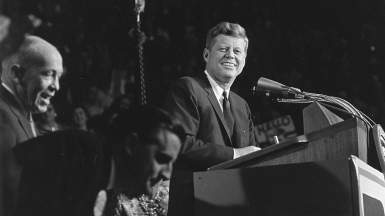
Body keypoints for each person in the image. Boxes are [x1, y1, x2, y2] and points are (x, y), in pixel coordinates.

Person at [13, 105, 185, 216]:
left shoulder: (102, 176)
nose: (168, 173)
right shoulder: (81, 151)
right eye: (162, 158)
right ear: (131, 144)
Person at [164, 21, 260, 172]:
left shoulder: (242, 105)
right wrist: (234, 154)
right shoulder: (188, 87)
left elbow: (252, 154)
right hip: (195, 193)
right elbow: (179, 142)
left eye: (237, 51)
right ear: (206, 55)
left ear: (244, 60)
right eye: (223, 49)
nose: (230, 55)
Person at [0, 35, 63, 216]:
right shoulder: (3, 119)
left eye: (59, 76)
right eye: (48, 73)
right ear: (17, 74)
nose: (56, 86)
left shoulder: (22, 110)